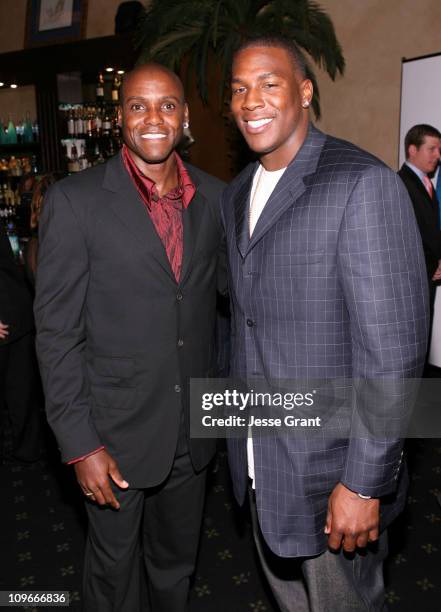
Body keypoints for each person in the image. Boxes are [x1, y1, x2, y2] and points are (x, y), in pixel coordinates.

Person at [222, 35, 428, 611]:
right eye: (239, 89)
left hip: (335, 477)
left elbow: (394, 353)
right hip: (263, 466)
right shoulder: (235, 195)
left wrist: (365, 482)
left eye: (269, 83)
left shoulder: (362, 183)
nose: (250, 100)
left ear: (305, 91)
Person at [34, 63, 226, 612]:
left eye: (167, 105)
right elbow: (56, 333)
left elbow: (229, 304)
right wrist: (80, 444)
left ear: (185, 116)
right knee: (113, 579)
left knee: (175, 569)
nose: (153, 118)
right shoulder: (77, 201)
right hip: (111, 436)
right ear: (120, 117)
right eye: (138, 105)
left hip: (193, 429)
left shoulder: (215, 197)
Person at [0, 223, 42, 463]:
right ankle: (26, 450)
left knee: (22, 390)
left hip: (15, 312)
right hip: (13, 312)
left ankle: (27, 451)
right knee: (20, 390)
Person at [398, 125, 441, 332]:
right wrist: (430, 266)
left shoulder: (427, 183)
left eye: (439, 150)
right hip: (412, 279)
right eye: (432, 149)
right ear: (413, 150)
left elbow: (431, 230)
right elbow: (403, 236)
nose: (438, 155)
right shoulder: (400, 183)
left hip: (428, 277)